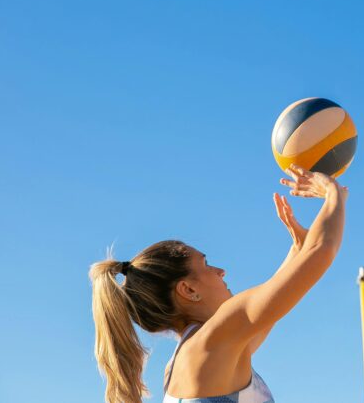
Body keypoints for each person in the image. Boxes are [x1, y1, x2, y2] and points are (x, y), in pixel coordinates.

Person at [89, 164, 348, 403]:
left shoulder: (189, 359)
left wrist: (297, 250)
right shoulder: (214, 339)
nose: (221, 272)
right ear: (188, 290)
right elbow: (322, 252)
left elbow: (272, 308)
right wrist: (332, 194)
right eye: (205, 265)